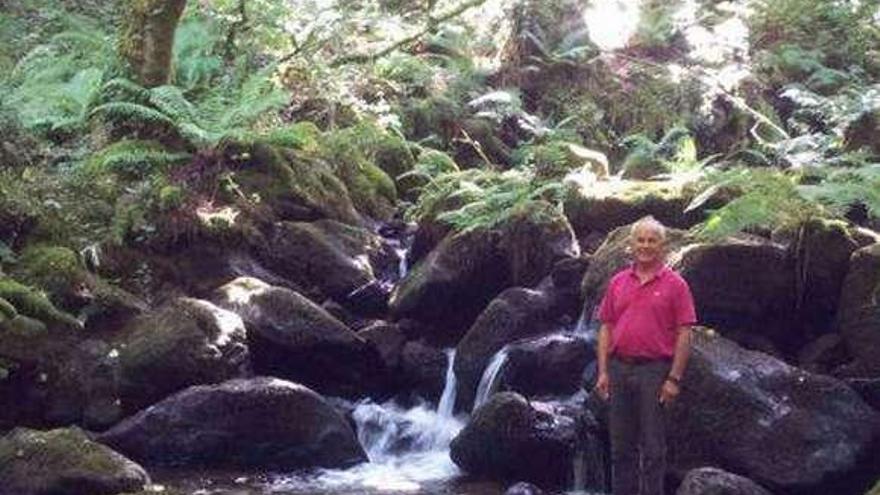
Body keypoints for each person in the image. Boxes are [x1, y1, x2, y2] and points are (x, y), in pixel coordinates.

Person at [593, 216, 696, 495]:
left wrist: (674, 379)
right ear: (631, 244)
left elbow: (685, 333)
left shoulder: (676, 285)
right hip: (618, 368)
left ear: (662, 245)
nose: (645, 246)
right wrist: (602, 371)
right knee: (620, 448)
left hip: (654, 371)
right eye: (640, 240)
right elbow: (606, 327)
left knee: (653, 449)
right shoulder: (617, 282)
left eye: (652, 240)